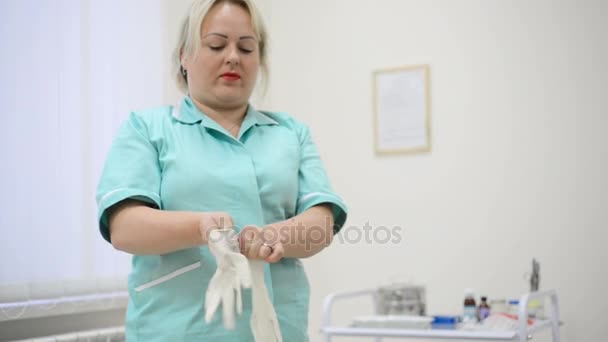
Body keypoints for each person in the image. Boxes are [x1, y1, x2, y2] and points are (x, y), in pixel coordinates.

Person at [95, 0, 348, 340]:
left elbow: (322, 222)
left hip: (276, 329)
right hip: (176, 329)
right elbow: (124, 227)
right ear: (185, 55)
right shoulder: (147, 129)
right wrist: (200, 227)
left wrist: (272, 237)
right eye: (216, 45)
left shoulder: (290, 134)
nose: (233, 57)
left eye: (246, 47)